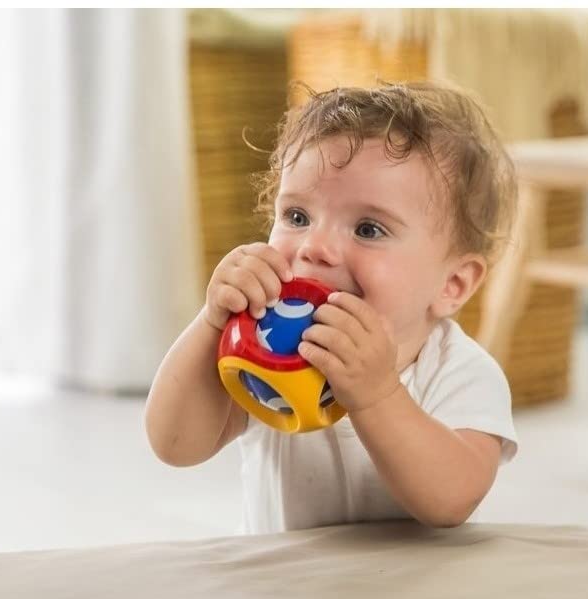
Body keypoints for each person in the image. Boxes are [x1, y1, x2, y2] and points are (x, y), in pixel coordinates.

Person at [145, 82, 519, 535]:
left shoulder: (461, 373)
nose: (314, 248)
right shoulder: (264, 353)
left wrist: (378, 395)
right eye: (297, 217)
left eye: (368, 228)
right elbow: (175, 444)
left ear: (452, 284)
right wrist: (212, 324)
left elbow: (452, 500)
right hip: (287, 596)